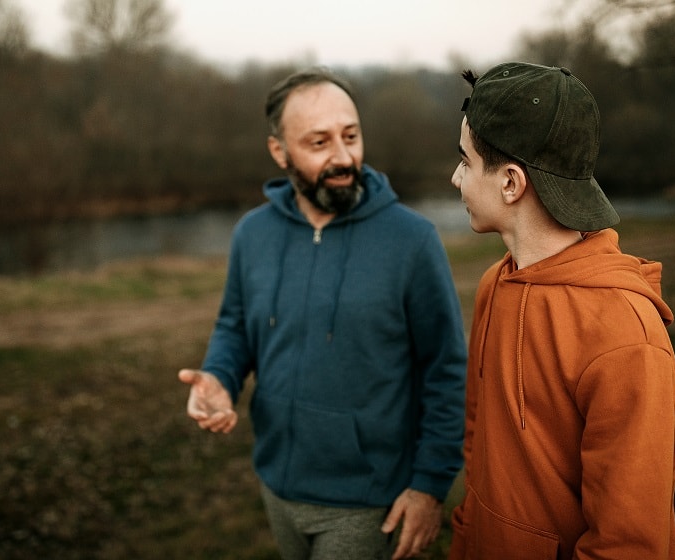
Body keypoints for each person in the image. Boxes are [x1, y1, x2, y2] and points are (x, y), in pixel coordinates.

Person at [178, 67, 467, 559]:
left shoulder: (412, 241)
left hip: (368, 501)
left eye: (350, 136)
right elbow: (235, 326)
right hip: (277, 485)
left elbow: (445, 370)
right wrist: (220, 378)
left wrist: (429, 485)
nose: (343, 157)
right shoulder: (252, 234)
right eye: (319, 142)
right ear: (279, 152)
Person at [447, 61, 675, 559]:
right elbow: (479, 444)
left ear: (511, 183)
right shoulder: (494, 286)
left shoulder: (626, 337)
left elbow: (628, 545)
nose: (455, 177)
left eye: (465, 162)